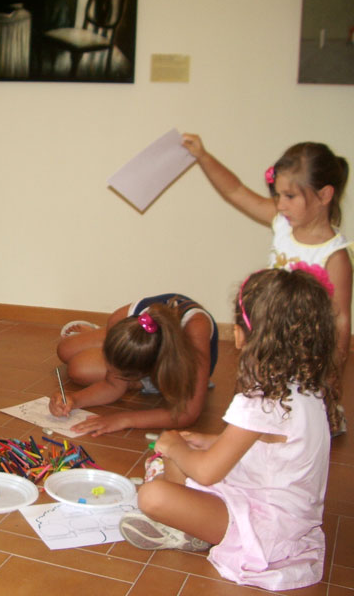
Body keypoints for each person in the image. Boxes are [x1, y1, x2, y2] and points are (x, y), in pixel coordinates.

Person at [118, 267, 340, 591]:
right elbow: (264, 444)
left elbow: (208, 473)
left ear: (240, 335)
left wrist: (174, 445)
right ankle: (190, 520)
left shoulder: (261, 400)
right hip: (287, 514)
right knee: (182, 456)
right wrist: (204, 441)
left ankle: (186, 530)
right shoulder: (304, 388)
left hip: (268, 531)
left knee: (153, 494)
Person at [182, 134, 351, 431]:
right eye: (278, 195)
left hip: (306, 348)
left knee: (301, 414)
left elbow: (339, 321)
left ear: (324, 196)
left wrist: (332, 381)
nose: (280, 204)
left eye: (290, 196)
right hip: (269, 337)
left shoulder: (334, 256)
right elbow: (235, 191)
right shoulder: (281, 223)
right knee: (257, 404)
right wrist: (203, 156)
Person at [50, 294, 218, 435]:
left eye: (123, 376)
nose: (111, 373)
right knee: (65, 349)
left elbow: (187, 413)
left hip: (182, 366)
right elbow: (112, 384)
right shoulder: (120, 317)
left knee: (79, 368)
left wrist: (123, 419)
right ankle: (98, 332)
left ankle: (97, 337)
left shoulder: (196, 331)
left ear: (145, 374)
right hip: (151, 346)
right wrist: (74, 400)